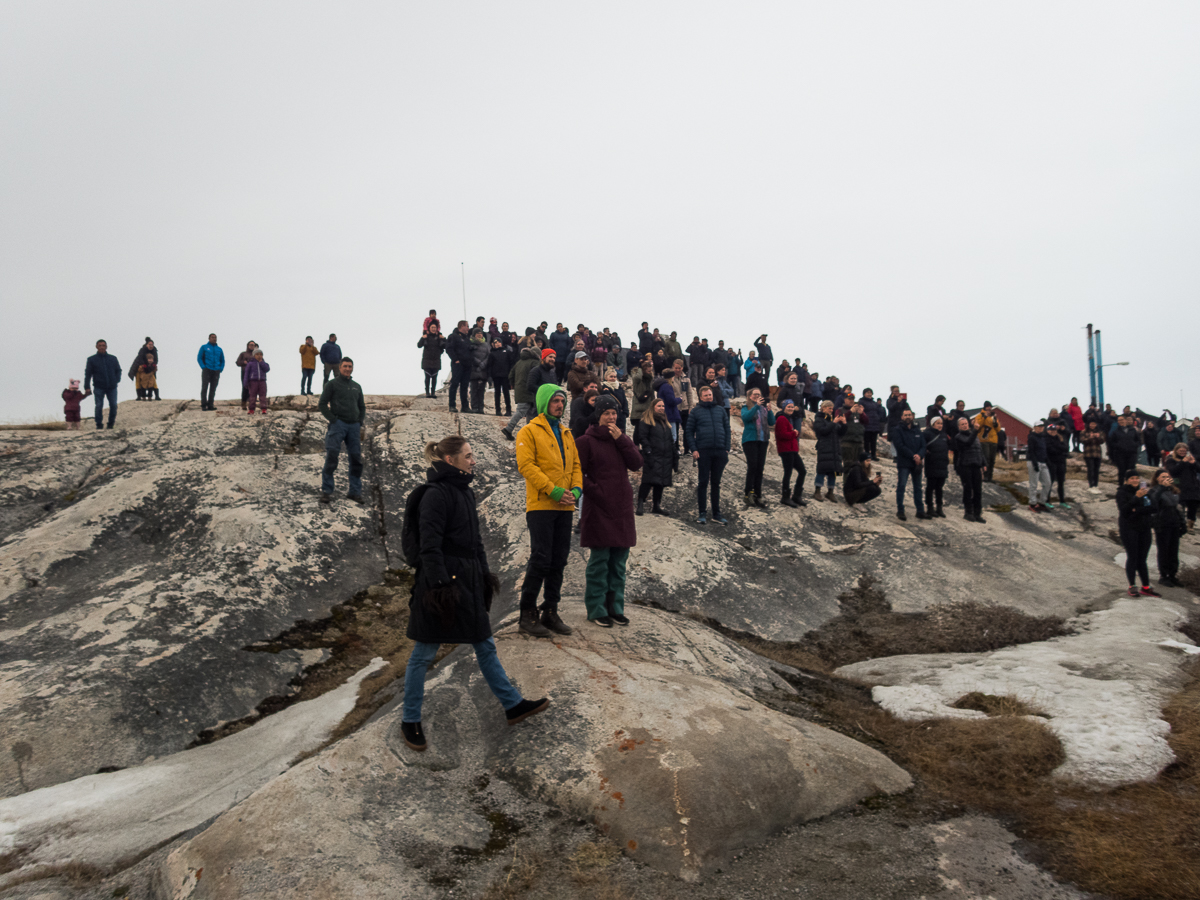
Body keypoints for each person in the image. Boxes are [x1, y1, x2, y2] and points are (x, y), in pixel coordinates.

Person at [400, 435, 549, 752]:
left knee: (484, 643)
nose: (474, 460)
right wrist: (442, 587)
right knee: (423, 654)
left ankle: (512, 706)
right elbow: (429, 547)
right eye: (468, 456)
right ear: (450, 461)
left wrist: (483, 575)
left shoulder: (465, 493)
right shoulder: (435, 495)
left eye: (473, 455)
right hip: (439, 586)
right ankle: (409, 719)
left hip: (466, 581)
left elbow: (475, 542)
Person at [515, 384, 581, 638]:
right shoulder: (528, 431)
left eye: (562, 401)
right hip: (542, 505)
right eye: (555, 401)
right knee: (541, 558)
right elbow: (526, 465)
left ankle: (550, 610)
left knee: (559, 559)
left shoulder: (566, 432)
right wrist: (552, 490)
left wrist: (575, 490)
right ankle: (527, 613)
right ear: (544, 402)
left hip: (565, 505)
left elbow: (575, 464)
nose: (560, 405)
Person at [576, 395, 642, 627]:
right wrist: (597, 492)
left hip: (621, 506)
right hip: (599, 507)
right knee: (600, 561)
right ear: (598, 416)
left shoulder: (620, 439)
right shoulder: (585, 441)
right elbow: (577, 474)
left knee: (619, 561)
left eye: (614, 413)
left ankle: (616, 608)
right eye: (607, 413)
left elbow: (636, 463)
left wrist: (622, 439)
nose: (612, 417)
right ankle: (596, 609)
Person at [317, 357, 366, 505]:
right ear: (339, 367)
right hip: (338, 425)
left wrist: (359, 421)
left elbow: (362, 406)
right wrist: (333, 419)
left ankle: (355, 492)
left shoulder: (357, 386)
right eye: (345, 366)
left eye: (350, 366)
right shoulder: (332, 384)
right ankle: (326, 491)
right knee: (332, 456)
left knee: (356, 459)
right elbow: (322, 404)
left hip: (354, 427)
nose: (347, 369)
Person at [688, 384, 731, 525]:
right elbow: (689, 432)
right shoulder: (695, 411)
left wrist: (727, 448)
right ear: (701, 397)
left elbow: (727, 429)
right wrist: (694, 449)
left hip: (720, 451)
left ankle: (716, 514)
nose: (709, 397)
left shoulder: (720, 410)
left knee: (716, 483)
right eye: (706, 395)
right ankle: (702, 513)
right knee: (703, 482)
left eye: (710, 395)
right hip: (703, 451)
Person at [1115, 471, 1160, 598]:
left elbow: (1154, 508)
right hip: (1129, 528)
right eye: (1132, 478)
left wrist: (1137, 510)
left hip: (1144, 527)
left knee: (1142, 559)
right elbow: (1124, 510)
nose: (1135, 480)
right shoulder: (1122, 492)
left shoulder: (1145, 490)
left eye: (1137, 478)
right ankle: (1132, 586)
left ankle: (1146, 586)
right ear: (1127, 480)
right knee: (1132, 557)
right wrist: (1136, 498)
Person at [635, 399, 677, 516]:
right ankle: (640, 504)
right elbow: (643, 437)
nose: (662, 408)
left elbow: (670, 440)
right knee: (647, 480)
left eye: (663, 406)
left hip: (665, 456)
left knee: (660, 482)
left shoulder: (665, 422)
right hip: (652, 455)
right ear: (653, 407)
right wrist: (647, 450)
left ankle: (656, 505)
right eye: (659, 406)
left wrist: (674, 455)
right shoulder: (646, 420)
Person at [890, 408, 928, 520]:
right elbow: (900, 446)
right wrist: (914, 456)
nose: (908, 417)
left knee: (918, 487)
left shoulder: (917, 430)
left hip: (917, 463)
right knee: (901, 486)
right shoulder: (897, 430)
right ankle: (900, 510)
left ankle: (920, 511)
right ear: (902, 417)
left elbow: (923, 445)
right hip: (904, 463)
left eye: (909, 415)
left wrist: (920, 456)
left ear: (913, 416)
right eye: (905, 415)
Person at [740, 388, 775, 507]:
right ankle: (748, 493)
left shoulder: (764, 408)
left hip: (762, 440)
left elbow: (771, 422)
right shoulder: (746, 407)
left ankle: (758, 494)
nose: (757, 396)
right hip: (750, 440)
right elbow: (746, 418)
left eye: (759, 395)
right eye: (755, 395)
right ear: (750, 396)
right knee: (753, 466)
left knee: (760, 467)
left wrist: (769, 410)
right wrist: (756, 406)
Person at [1150, 469, 1185, 587]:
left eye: (1167, 476)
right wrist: (1161, 488)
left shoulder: (1173, 490)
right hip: (1162, 524)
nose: (1165, 479)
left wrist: (1182, 523)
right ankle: (1163, 575)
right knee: (1164, 550)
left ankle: (1172, 575)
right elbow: (1152, 502)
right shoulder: (1154, 490)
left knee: (1174, 550)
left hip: (1174, 523)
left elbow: (1178, 507)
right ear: (1157, 479)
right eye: (1162, 477)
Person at [502, 344, 541, 441]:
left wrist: (515, 385)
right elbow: (537, 376)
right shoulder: (535, 362)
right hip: (529, 391)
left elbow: (511, 375)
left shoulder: (519, 362)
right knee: (521, 411)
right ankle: (508, 429)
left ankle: (529, 433)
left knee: (529, 413)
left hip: (520, 389)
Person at [775, 399, 808, 508]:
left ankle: (796, 496)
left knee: (802, 471)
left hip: (792, 449)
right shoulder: (781, 418)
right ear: (783, 408)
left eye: (792, 407)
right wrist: (794, 434)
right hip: (786, 450)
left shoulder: (789, 419)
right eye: (788, 406)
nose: (791, 409)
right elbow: (781, 435)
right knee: (788, 472)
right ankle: (785, 497)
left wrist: (795, 434)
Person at [953, 418, 987, 523]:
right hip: (965, 465)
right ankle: (968, 512)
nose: (964, 425)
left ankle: (977, 513)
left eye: (966, 423)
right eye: (962, 424)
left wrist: (984, 463)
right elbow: (968, 443)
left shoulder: (974, 436)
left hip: (976, 465)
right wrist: (976, 431)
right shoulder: (959, 437)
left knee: (978, 490)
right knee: (968, 490)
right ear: (959, 427)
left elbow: (979, 450)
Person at [84, 339, 122, 429]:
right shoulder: (91, 359)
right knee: (99, 406)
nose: (102, 347)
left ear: (106, 346)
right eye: (100, 345)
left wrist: (116, 380)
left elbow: (118, 370)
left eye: (103, 345)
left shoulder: (113, 358)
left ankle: (111, 424)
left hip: (112, 387)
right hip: (99, 386)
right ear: (96, 347)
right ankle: (99, 424)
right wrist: (87, 387)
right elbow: (88, 374)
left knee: (113, 405)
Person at [1164, 444, 1200, 531]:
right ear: (1176, 451)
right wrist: (1183, 462)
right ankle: (1181, 523)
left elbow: (1198, 470)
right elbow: (1173, 471)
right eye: (1181, 451)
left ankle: (1190, 524)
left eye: (1184, 451)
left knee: (1193, 506)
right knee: (1180, 505)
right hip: (1179, 485)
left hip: (1192, 486)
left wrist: (1194, 463)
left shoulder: (1190, 460)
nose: (1182, 453)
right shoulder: (1171, 460)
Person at [922, 417, 949, 519]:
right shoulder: (927, 434)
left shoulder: (944, 435)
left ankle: (939, 508)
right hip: (932, 464)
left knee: (939, 488)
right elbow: (922, 445)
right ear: (933, 424)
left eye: (941, 423)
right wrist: (926, 452)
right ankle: (930, 508)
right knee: (930, 487)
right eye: (938, 423)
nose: (940, 425)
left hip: (942, 464)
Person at [445, 321, 473, 412]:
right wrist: (455, 359)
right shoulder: (453, 336)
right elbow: (449, 348)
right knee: (455, 384)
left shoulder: (467, 339)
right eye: (467, 326)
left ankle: (465, 406)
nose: (468, 328)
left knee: (464, 386)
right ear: (462, 326)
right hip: (458, 364)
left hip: (467, 365)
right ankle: (452, 405)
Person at [1025, 420, 1052, 512]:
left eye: (1042, 426)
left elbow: (1045, 451)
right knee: (1034, 484)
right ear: (1035, 427)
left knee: (1047, 483)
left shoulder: (1043, 437)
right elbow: (1031, 451)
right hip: (1033, 462)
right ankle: (1032, 503)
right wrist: (1035, 463)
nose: (1041, 428)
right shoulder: (1032, 437)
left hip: (1043, 462)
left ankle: (1042, 502)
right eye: (1039, 426)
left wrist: (1047, 461)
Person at [1044, 423, 1070, 509]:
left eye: (1054, 430)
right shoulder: (1046, 439)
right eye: (1051, 430)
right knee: (1050, 482)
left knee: (1061, 482)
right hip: (1051, 462)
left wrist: (1059, 448)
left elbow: (1065, 448)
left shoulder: (1060, 438)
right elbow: (1050, 449)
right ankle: (1047, 500)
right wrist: (1060, 448)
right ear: (1048, 430)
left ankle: (1062, 501)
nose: (1053, 432)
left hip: (1061, 462)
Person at [972, 402, 1001, 482]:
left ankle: (990, 477)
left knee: (992, 459)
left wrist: (994, 419)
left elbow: (998, 429)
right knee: (986, 458)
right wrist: (985, 417)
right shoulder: (979, 416)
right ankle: (985, 476)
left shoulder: (993, 417)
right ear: (984, 408)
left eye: (990, 407)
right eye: (987, 407)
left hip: (994, 440)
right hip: (984, 440)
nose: (989, 409)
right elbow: (978, 426)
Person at [417, 324, 446, 399]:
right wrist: (422, 338)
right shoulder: (426, 337)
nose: (433, 329)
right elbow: (419, 345)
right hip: (427, 360)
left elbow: (446, 346)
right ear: (429, 328)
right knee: (427, 377)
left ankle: (433, 392)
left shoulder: (439, 337)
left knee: (434, 377)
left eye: (435, 327)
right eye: (432, 327)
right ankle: (427, 392)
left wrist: (444, 338)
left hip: (436, 360)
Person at [1110, 415, 1141, 484]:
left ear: (1125, 420)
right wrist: (1118, 446)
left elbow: (1138, 441)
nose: (1120, 421)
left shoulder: (1132, 430)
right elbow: (1111, 443)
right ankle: (1121, 485)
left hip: (1132, 453)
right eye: (1118, 420)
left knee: (1131, 470)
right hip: (1120, 454)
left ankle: (1132, 485)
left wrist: (1134, 445)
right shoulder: (1116, 432)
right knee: (1121, 470)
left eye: (1121, 420)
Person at [486, 338, 513, 416]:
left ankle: (509, 410)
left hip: (505, 376)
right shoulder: (492, 354)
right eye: (495, 342)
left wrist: (510, 374)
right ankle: (498, 410)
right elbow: (489, 366)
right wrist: (489, 376)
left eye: (499, 342)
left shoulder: (507, 352)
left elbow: (511, 363)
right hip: (496, 376)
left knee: (506, 393)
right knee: (497, 393)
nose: (497, 344)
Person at [197, 333, 224, 411]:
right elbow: (199, 358)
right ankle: (203, 405)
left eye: (215, 337)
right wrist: (203, 367)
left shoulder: (219, 349)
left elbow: (222, 360)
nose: (214, 339)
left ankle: (210, 405)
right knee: (204, 387)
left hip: (216, 370)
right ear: (209, 338)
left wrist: (220, 368)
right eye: (212, 337)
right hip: (207, 369)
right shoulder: (204, 347)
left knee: (213, 388)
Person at [597, 369, 629, 433]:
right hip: (610, 415)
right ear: (606, 377)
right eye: (611, 376)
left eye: (614, 377)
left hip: (621, 415)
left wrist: (625, 412)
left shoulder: (619, 387)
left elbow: (624, 400)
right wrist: (606, 392)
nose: (613, 378)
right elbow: (606, 401)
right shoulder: (603, 388)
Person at [468, 328, 489, 414]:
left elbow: (488, 355)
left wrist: (483, 363)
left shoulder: (486, 345)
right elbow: (470, 355)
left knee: (481, 390)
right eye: (478, 333)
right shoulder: (471, 344)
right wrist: (477, 363)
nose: (480, 335)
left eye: (481, 333)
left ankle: (481, 407)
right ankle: (474, 407)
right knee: (474, 390)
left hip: (483, 370)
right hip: (473, 369)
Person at [630, 359, 656, 429]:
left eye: (651, 371)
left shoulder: (650, 380)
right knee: (638, 431)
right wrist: (640, 368)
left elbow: (652, 394)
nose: (650, 373)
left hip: (648, 409)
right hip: (639, 410)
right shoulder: (638, 379)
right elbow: (637, 377)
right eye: (648, 371)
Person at [841, 402, 867, 473]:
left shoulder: (860, 414)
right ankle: (846, 482)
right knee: (848, 464)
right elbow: (841, 420)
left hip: (859, 441)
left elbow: (866, 421)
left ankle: (856, 482)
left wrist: (862, 413)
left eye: (857, 406)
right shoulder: (843, 410)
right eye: (855, 406)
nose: (856, 408)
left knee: (859, 465)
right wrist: (850, 412)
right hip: (847, 441)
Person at [860, 388, 885, 460]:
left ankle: (873, 455)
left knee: (873, 441)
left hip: (875, 424)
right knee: (867, 441)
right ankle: (867, 455)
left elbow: (879, 411)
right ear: (864, 394)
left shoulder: (874, 403)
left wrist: (878, 418)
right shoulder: (862, 402)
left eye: (870, 392)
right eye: (867, 392)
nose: (869, 394)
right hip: (866, 424)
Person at [1081, 421, 1106, 491]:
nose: (1092, 425)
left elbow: (1102, 441)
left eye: (1094, 424)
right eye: (1091, 424)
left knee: (1096, 470)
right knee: (1090, 469)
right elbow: (1082, 441)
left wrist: (1098, 437)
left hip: (1097, 453)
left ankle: (1096, 484)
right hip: (1088, 453)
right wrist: (1090, 437)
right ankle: (1091, 485)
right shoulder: (1084, 432)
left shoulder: (1099, 432)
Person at [245, 349, 270, 415]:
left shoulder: (264, 363)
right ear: (254, 355)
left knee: (263, 396)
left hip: (262, 381)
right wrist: (245, 382)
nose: (259, 356)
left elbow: (267, 369)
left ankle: (264, 409)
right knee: (253, 396)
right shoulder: (250, 363)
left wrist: (261, 362)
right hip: (253, 381)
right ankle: (251, 409)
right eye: (257, 354)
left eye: (261, 354)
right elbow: (246, 373)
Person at [235, 341, 258, 410]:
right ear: (248, 345)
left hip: (254, 373)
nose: (252, 346)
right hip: (245, 372)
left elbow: (261, 362)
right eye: (251, 345)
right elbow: (237, 362)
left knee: (253, 389)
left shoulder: (256, 354)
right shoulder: (243, 354)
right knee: (245, 388)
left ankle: (251, 403)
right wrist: (243, 362)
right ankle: (244, 403)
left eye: (253, 345)